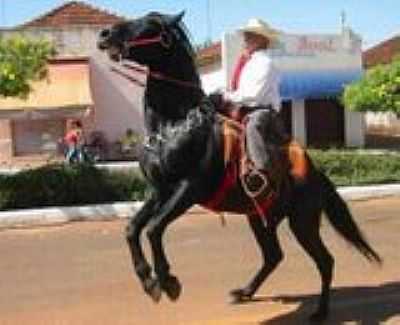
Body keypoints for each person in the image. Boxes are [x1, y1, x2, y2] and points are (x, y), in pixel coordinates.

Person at [220, 18, 289, 193]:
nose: (245, 40)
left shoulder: (266, 63)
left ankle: (261, 170)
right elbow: (241, 92)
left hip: (264, 112)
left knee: (253, 125)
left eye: (249, 36)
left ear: (261, 40)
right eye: (246, 36)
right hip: (245, 108)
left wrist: (227, 96)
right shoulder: (249, 63)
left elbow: (254, 96)